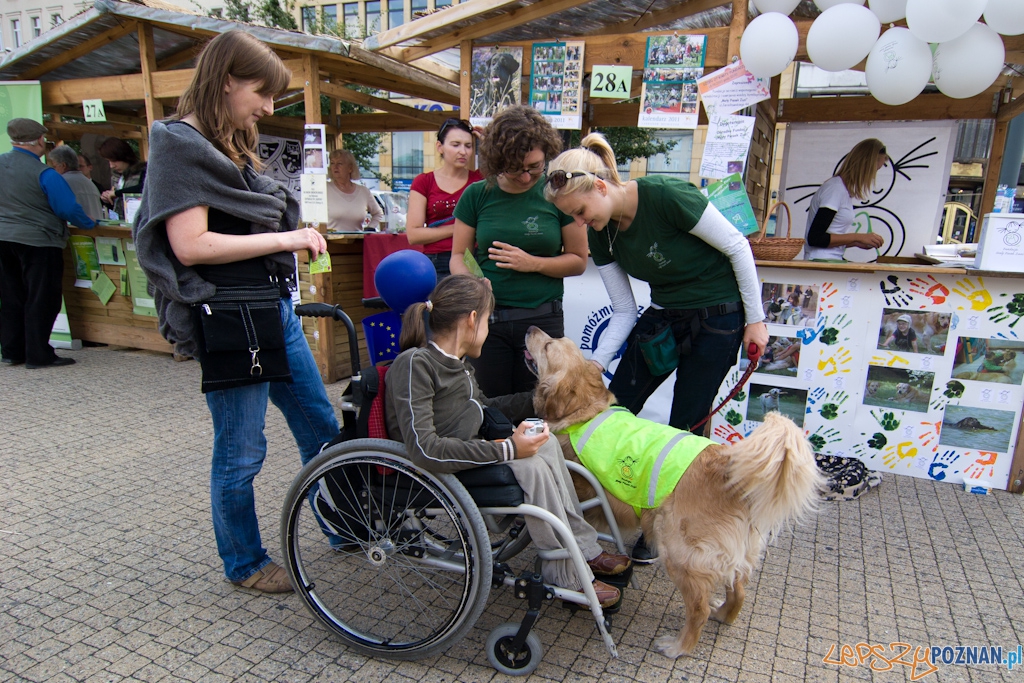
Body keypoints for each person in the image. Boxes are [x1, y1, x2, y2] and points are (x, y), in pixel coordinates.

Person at [132, 31, 339, 594]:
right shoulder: (178, 144)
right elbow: (190, 246)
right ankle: (245, 562)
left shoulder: (229, 143)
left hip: (273, 307)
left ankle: (343, 524)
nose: (268, 108)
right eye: (262, 93)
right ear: (227, 81)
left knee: (320, 426)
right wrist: (286, 238)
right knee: (242, 451)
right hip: (229, 317)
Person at [543, 133, 767, 564]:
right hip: (665, 316)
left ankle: (665, 523)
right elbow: (625, 309)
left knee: (685, 424)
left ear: (600, 186)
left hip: (719, 317)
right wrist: (592, 366)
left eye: (580, 212)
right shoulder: (603, 233)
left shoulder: (666, 195)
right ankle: (608, 505)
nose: (580, 223)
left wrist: (755, 320)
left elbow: (738, 247)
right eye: (572, 217)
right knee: (614, 405)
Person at [385, 274, 630, 607]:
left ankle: (585, 548)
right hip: (437, 470)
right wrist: (508, 449)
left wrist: (546, 398)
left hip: (469, 454)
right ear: (472, 320)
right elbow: (425, 449)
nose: (488, 328)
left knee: (546, 444)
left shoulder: (457, 365)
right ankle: (566, 573)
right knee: (530, 465)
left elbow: (482, 408)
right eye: (488, 320)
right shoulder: (415, 364)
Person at [449, 105, 586, 397]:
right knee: (490, 407)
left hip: (543, 321)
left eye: (535, 167)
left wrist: (533, 263)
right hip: (488, 322)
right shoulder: (476, 195)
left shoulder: (557, 194)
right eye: (514, 169)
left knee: (542, 406)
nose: (525, 177)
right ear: (497, 162)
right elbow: (459, 256)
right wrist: (474, 283)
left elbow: (578, 260)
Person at [0, 118, 96, 368]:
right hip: (39, 240)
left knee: (10, 295)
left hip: (3, 238)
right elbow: (67, 208)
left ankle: (12, 351)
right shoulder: (45, 173)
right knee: (42, 297)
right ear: (40, 141)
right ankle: (38, 354)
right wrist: (89, 224)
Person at [406, 118, 483, 278]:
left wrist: (487, 142)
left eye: (468, 146)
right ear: (439, 147)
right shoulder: (424, 181)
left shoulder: (479, 179)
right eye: (455, 145)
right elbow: (413, 235)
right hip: (436, 260)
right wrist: (461, 229)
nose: (463, 151)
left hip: (473, 258)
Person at [803, 138, 887, 260]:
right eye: (875, 170)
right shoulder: (835, 189)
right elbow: (816, 238)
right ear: (866, 165)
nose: (873, 177)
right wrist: (858, 237)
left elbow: (829, 238)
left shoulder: (841, 189)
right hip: (820, 261)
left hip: (828, 260)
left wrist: (856, 242)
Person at [326, 149, 383, 232]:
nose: (335, 167)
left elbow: (378, 213)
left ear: (350, 168)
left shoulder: (363, 191)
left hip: (357, 239)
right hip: (329, 239)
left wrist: (370, 228)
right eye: (332, 163)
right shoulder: (325, 189)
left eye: (340, 163)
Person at [49, 146, 103, 221]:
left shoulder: (61, 182)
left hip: (76, 227)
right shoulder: (89, 183)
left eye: (55, 166)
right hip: (96, 226)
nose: (54, 170)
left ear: (63, 165)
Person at [98, 137, 147, 219]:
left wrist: (116, 193)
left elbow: (143, 188)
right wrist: (107, 199)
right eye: (109, 161)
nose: (111, 166)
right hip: (121, 221)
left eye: (114, 161)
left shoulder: (143, 171)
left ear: (123, 156)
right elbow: (115, 205)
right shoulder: (115, 177)